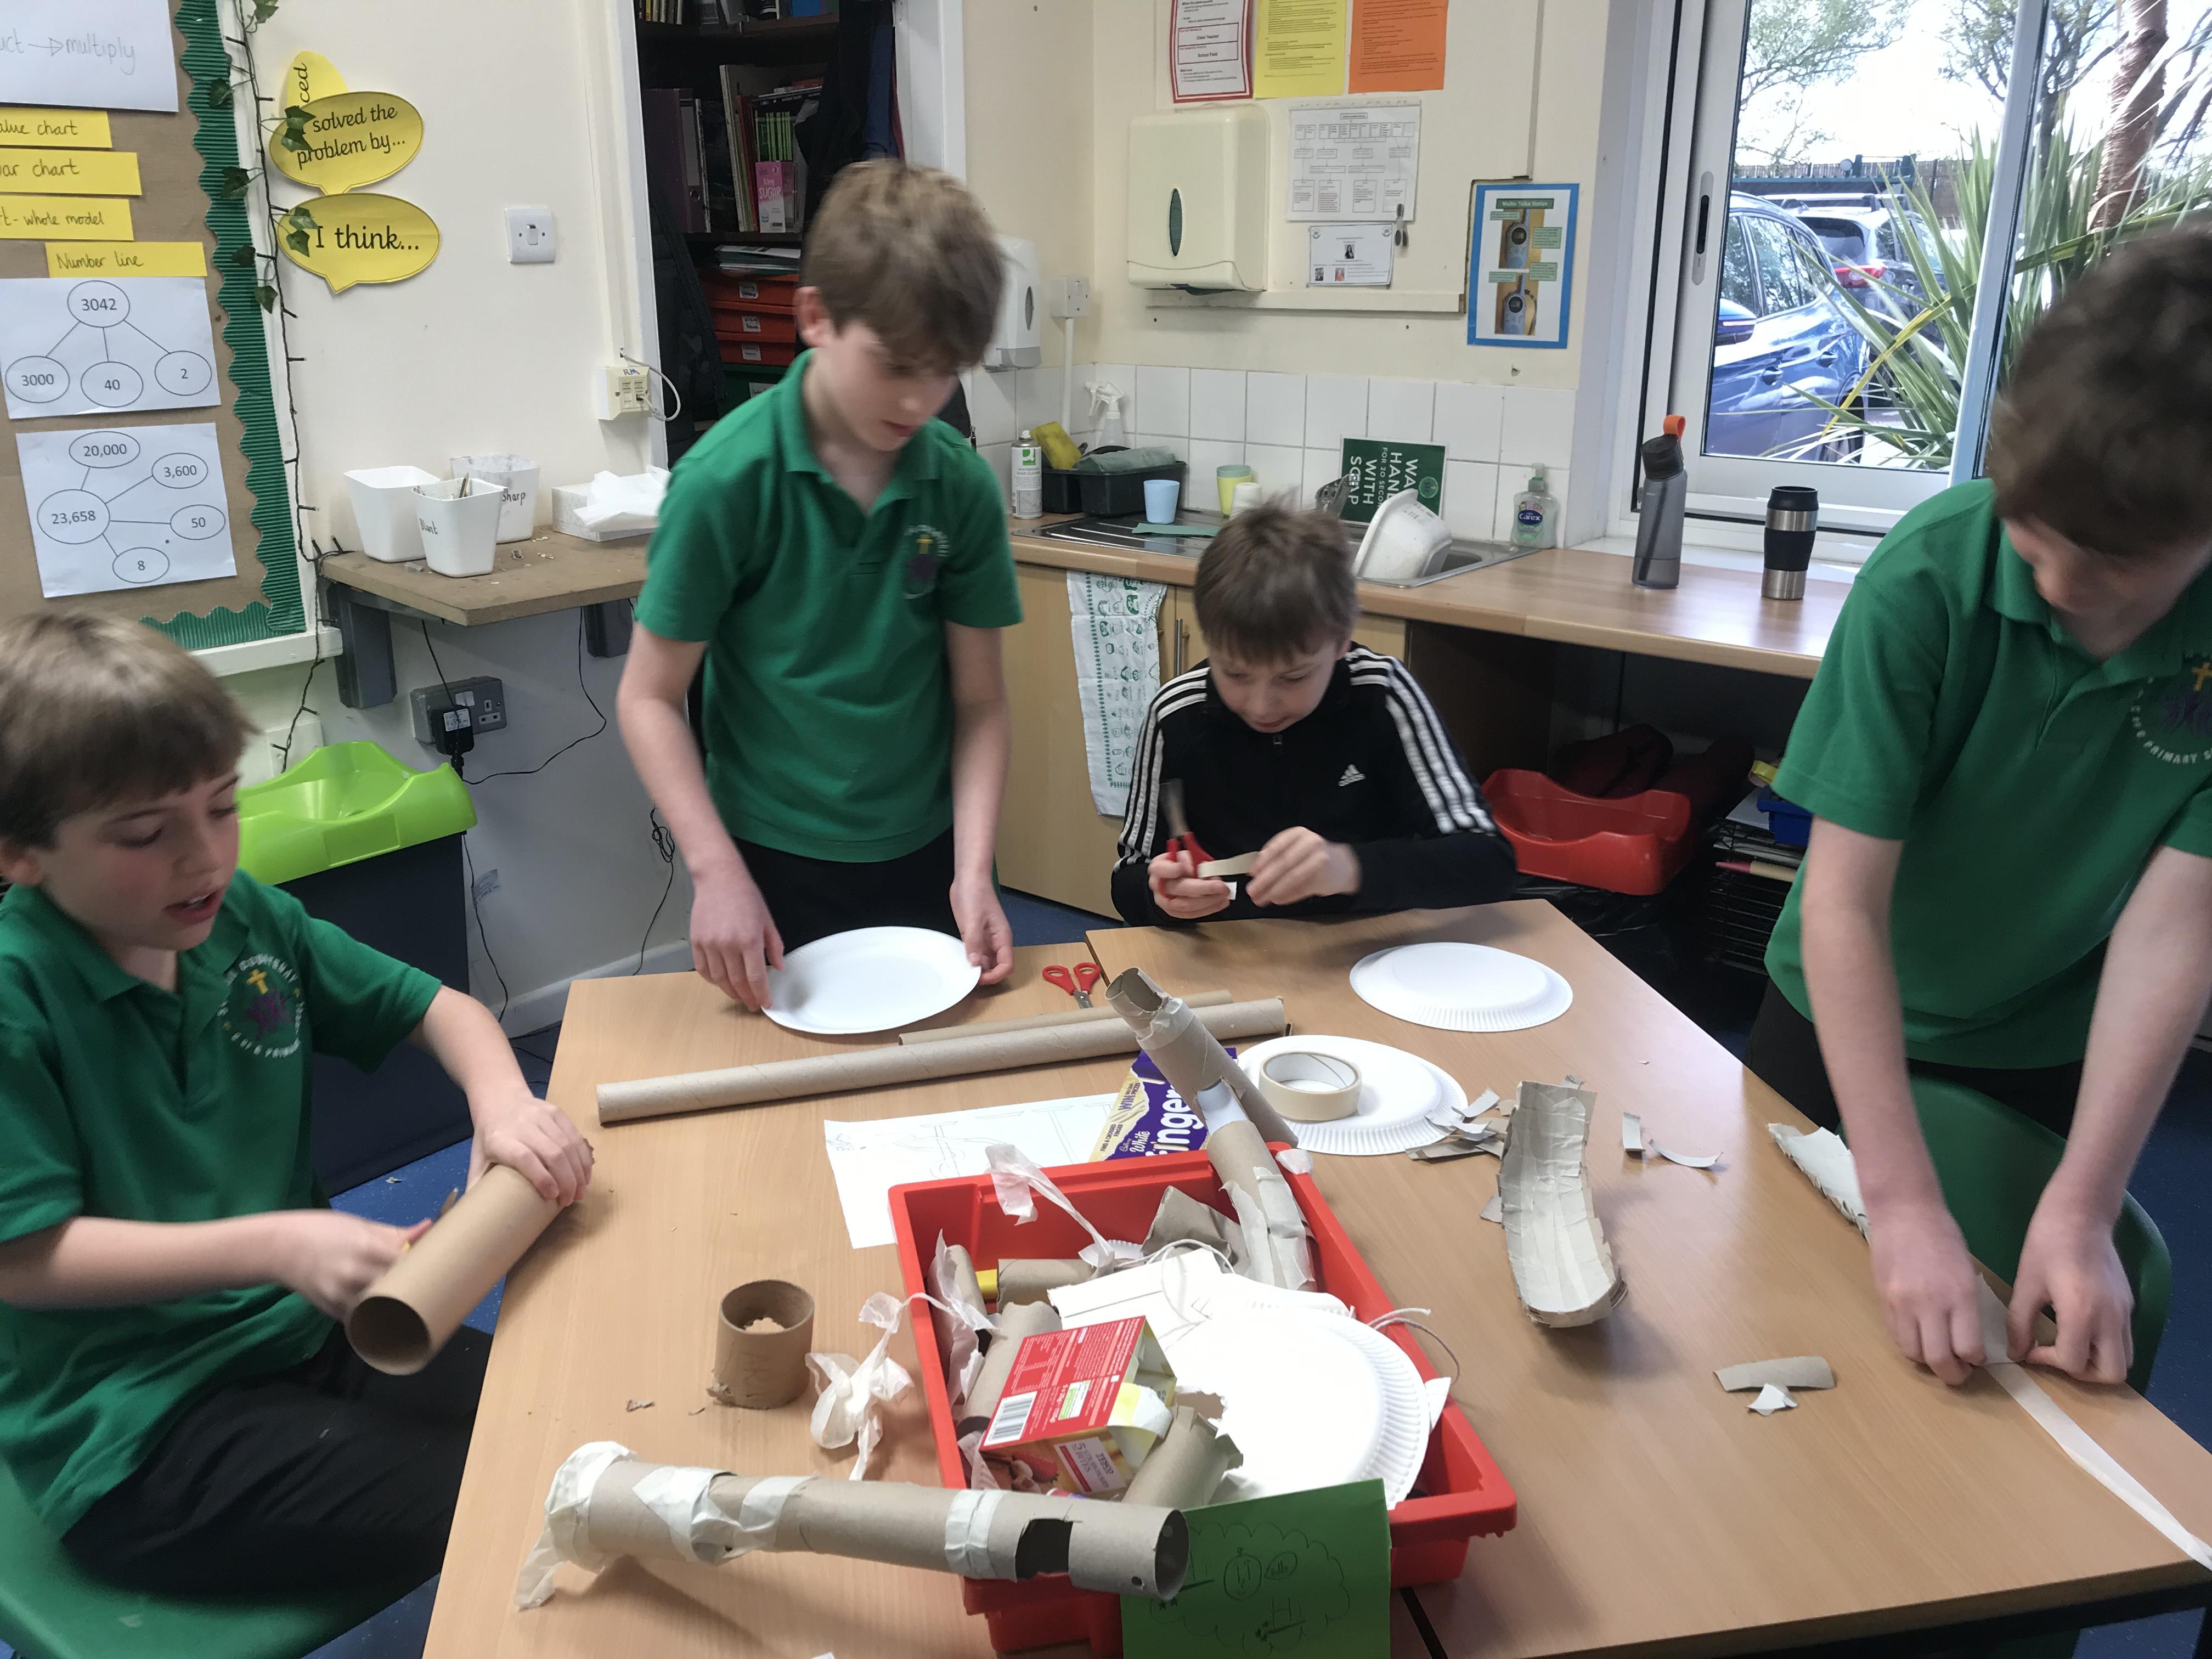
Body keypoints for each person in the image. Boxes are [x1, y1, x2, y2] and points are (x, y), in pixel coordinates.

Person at [0, 612, 591, 1596]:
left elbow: (441, 1008)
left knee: (575, 1420)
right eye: (145, 832)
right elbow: (23, 1258)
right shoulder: (16, 1001)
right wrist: (277, 1245)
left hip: (308, 1334)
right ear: (20, 852)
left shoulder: (244, 918)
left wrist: (503, 1105)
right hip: (139, 1427)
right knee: (532, 1494)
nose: (204, 856)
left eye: (223, 807)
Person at [1746, 227, 2212, 1391]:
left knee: (1992, 1374)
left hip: (2039, 1041)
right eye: (2032, 542)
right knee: (1775, 1331)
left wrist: (2086, 1202)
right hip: (1834, 1020)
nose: (2055, 589)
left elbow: (2177, 928)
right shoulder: (1927, 576)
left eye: (2110, 570)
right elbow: (1842, 904)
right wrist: (1902, 1203)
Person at [618, 160, 1022, 1009]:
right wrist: (714, 871)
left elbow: (981, 702)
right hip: (771, 861)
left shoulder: (959, 485)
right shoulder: (725, 481)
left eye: (946, 371)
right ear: (814, 318)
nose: (920, 399)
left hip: (928, 851)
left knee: (931, 1071)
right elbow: (649, 698)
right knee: (787, 1073)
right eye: (896, 365)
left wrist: (975, 869)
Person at [1112, 500, 1516, 926]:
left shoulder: (1383, 694)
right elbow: (1128, 877)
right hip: (1231, 947)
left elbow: (1489, 862)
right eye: (1235, 674)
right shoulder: (1176, 714)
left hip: (1369, 945)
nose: (1261, 706)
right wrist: (1158, 896)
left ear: (1342, 641)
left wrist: (1350, 868)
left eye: (1294, 677)